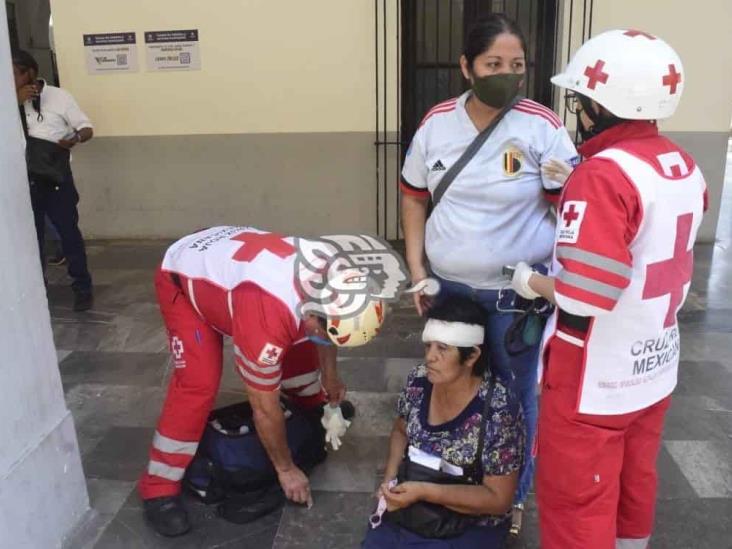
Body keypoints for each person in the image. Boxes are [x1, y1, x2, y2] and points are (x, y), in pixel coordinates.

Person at [509, 29, 707, 549]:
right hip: (655, 362)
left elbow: (585, 293)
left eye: (581, 100)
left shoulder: (601, 176)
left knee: (577, 503)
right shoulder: (681, 164)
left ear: (600, 105)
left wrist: (529, 281)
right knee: (634, 482)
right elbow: (643, 241)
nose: (577, 110)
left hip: (595, 376)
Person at [399, 14, 577, 532]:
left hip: (514, 296)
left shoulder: (541, 125)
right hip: (449, 287)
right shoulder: (436, 124)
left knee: (515, 391)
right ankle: (454, 471)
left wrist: (565, 185)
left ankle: (510, 496)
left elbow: (575, 203)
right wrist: (417, 268)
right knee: (451, 381)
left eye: (516, 65)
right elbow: (412, 197)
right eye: (493, 64)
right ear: (466, 67)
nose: (506, 73)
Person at [139, 226, 386, 537]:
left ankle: (311, 406)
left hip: (232, 265)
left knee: (300, 341)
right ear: (312, 312)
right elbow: (264, 407)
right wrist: (286, 470)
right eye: (324, 329)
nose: (325, 336)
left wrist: (330, 378)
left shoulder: (341, 278)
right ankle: (158, 486)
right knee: (197, 383)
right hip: (184, 277)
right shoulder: (266, 316)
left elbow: (327, 333)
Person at [363, 296, 524, 548]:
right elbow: (400, 430)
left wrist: (426, 491)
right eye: (428, 346)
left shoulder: (498, 410)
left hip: (469, 522)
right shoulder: (419, 379)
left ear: (471, 356)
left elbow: (499, 499)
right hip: (412, 507)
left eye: (443, 348)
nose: (430, 357)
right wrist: (391, 480)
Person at [13, 49, 94, 311]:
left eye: (14, 73)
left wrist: (75, 138)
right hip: (24, 180)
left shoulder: (59, 97)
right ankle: (38, 292)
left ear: (30, 73)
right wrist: (13, 102)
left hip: (56, 179)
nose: (9, 78)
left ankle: (82, 287)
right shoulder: (7, 100)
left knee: (69, 234)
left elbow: (86, 128)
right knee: (31, 238)